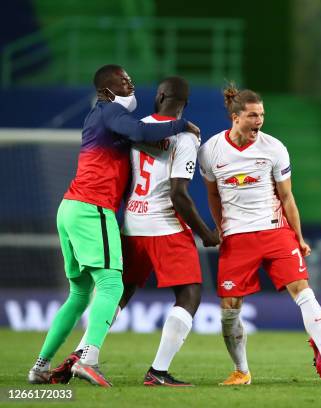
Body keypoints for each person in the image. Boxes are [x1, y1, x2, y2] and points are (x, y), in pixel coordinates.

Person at [27, 65, 200, 388]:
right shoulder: (109, 112)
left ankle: (40, 366)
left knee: (79, 294)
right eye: (123, 81)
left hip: (70, 208)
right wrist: (183, 125)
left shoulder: (107, 120)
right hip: (93, 208)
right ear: (106, 90)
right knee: (112, 285)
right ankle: (88, 359)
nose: (130, 83)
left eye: (130, 79)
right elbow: (140, 134)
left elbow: (138, 141)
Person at [199, 84, 321, 385]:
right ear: (235, 116)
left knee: (302, 290)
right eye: (253, 115)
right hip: (237, 237)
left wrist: (299, 236)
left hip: (274, 230)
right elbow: (213, 196)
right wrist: (221, 228)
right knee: (229, 309)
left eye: (262, 115)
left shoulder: (274, 148)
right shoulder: (211, 150)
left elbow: (287, 197)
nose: (259, 121)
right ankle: (241, 370)